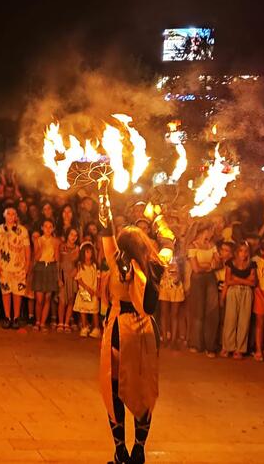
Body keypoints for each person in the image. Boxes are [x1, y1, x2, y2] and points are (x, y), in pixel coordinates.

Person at [96, 181, 172, 464]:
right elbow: (169, 241)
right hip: (148, 332)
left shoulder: (118, 262)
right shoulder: (158, 263)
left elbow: (105, 229)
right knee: (143, 389)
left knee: (114, 387)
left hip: (119, 330)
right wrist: (159, 216)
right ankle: (139, 450)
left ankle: (120, 451)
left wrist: (103, 194)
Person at [0, 207, 30, 329]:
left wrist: (27, 265)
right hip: (4, 267)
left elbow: (27, 249)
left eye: (13, 214)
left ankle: (16, 317)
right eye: (8, 213)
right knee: (6, 292)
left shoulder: (22, 230)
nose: (10, 216)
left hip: (19, 267)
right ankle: (7, 316)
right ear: (4, 215)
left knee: (17, 292)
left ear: (16, 216)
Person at [186, 225, 221, 356]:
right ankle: (196, 343)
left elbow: (218, 263)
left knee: (212, 310)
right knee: (198, 310)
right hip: (198, 279)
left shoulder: (211, 245)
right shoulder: (192, 246)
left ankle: (210, 346)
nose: (211, 233)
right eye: (209, 230)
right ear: (202, 231)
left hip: (210, 278)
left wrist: (208, 266)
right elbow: (195, 268)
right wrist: (209, 266)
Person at [221, 242, 256, 359]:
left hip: (246, 292)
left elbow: (253, 282)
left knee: (244, 321)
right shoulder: (230, 263)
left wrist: (236, 278)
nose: (244, 253)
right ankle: (227, 346)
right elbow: (228, 281)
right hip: (233, 291)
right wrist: (245, 280)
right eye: (241, 250)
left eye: (246, 251)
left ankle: (240, 349)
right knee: (230, 319)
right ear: (237, 252)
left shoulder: (252, 264)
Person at [31, 219, 60, 331]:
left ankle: (42, 322)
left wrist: (56, 247)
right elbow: (36, 258)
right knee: (39, 299)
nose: (48, 229)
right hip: (40, 267)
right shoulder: (38, 240)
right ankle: (37, 321)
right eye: (46, 226)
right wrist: (42, 247)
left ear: (53, 228)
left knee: (48, 298)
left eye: (50, 226)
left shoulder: (56, 241)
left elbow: (57, 259)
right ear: (42, 228)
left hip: (51, 267)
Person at [73, 242, 101, 338]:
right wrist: (86, 288)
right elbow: (79, 279)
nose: (89, 254)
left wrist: (97, 289)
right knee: (83, 310)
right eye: (87, 252)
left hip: (93, 291)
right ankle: (84, 327)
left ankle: (96, 328)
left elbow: (98, 277)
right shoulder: (80, 265)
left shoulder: (95, 265)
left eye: (91, 252)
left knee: (94, 310)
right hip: (84, 291)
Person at [58, 227, 80, 332]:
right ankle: (60, 323)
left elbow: (79, 263)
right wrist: (59, 278)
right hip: (63, 275)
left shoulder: (78, 248)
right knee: (62, 301)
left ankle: (66, 323)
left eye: (75, 235)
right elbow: (59, 262)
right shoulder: (62, 247)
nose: (73, 237)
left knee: (71, 300)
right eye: (71, 234)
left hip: (72, 276)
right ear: (67, 235)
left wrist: (75, 271)